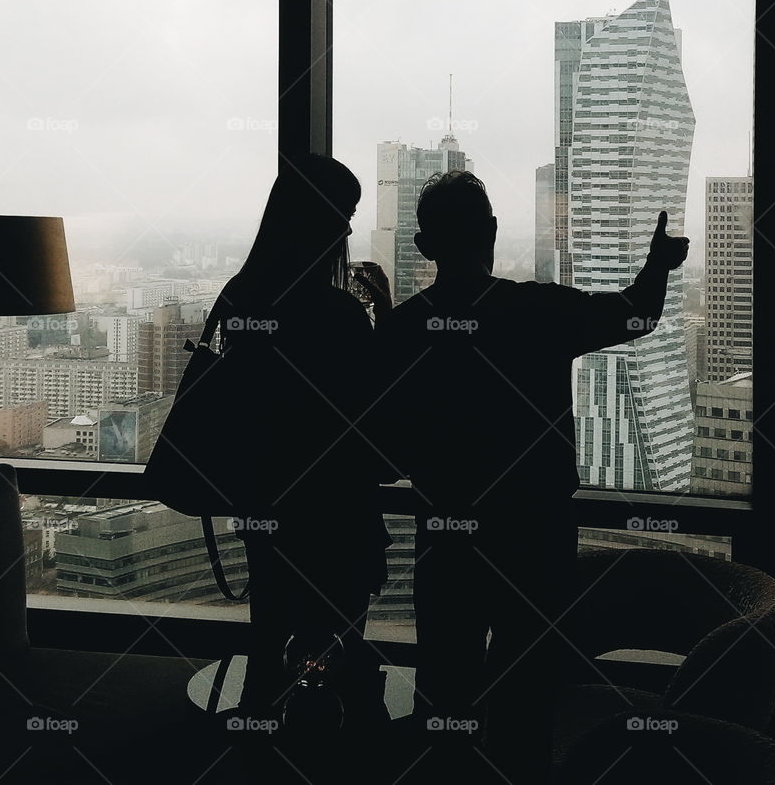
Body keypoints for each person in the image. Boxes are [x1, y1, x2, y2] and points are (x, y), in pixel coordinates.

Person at [369, 170, 689, 783]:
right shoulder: (537, 309)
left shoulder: (405, 330)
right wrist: (658, 265)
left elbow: (386, 449)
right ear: (491, 231)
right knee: (528, 695)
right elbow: (636, 317)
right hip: (535, 536)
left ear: (423, 246)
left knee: (446, 691)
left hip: (448, 536)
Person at [215, 154, 392, 735]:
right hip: (336, 510)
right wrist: (382, 316)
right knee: (339, 651)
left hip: (267, 502)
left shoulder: (241, 297)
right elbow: (371, 411)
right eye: (343, 216)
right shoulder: (336, 313)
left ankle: (259, 741)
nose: (346, 230)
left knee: (269, 637)